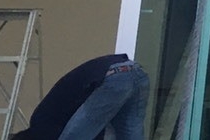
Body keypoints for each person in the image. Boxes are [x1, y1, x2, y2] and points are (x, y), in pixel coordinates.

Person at [8, 54, 148, 140]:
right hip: (136, 71)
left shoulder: (42, 128)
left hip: (113, 77)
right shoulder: (46, 120)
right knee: (128, 135)